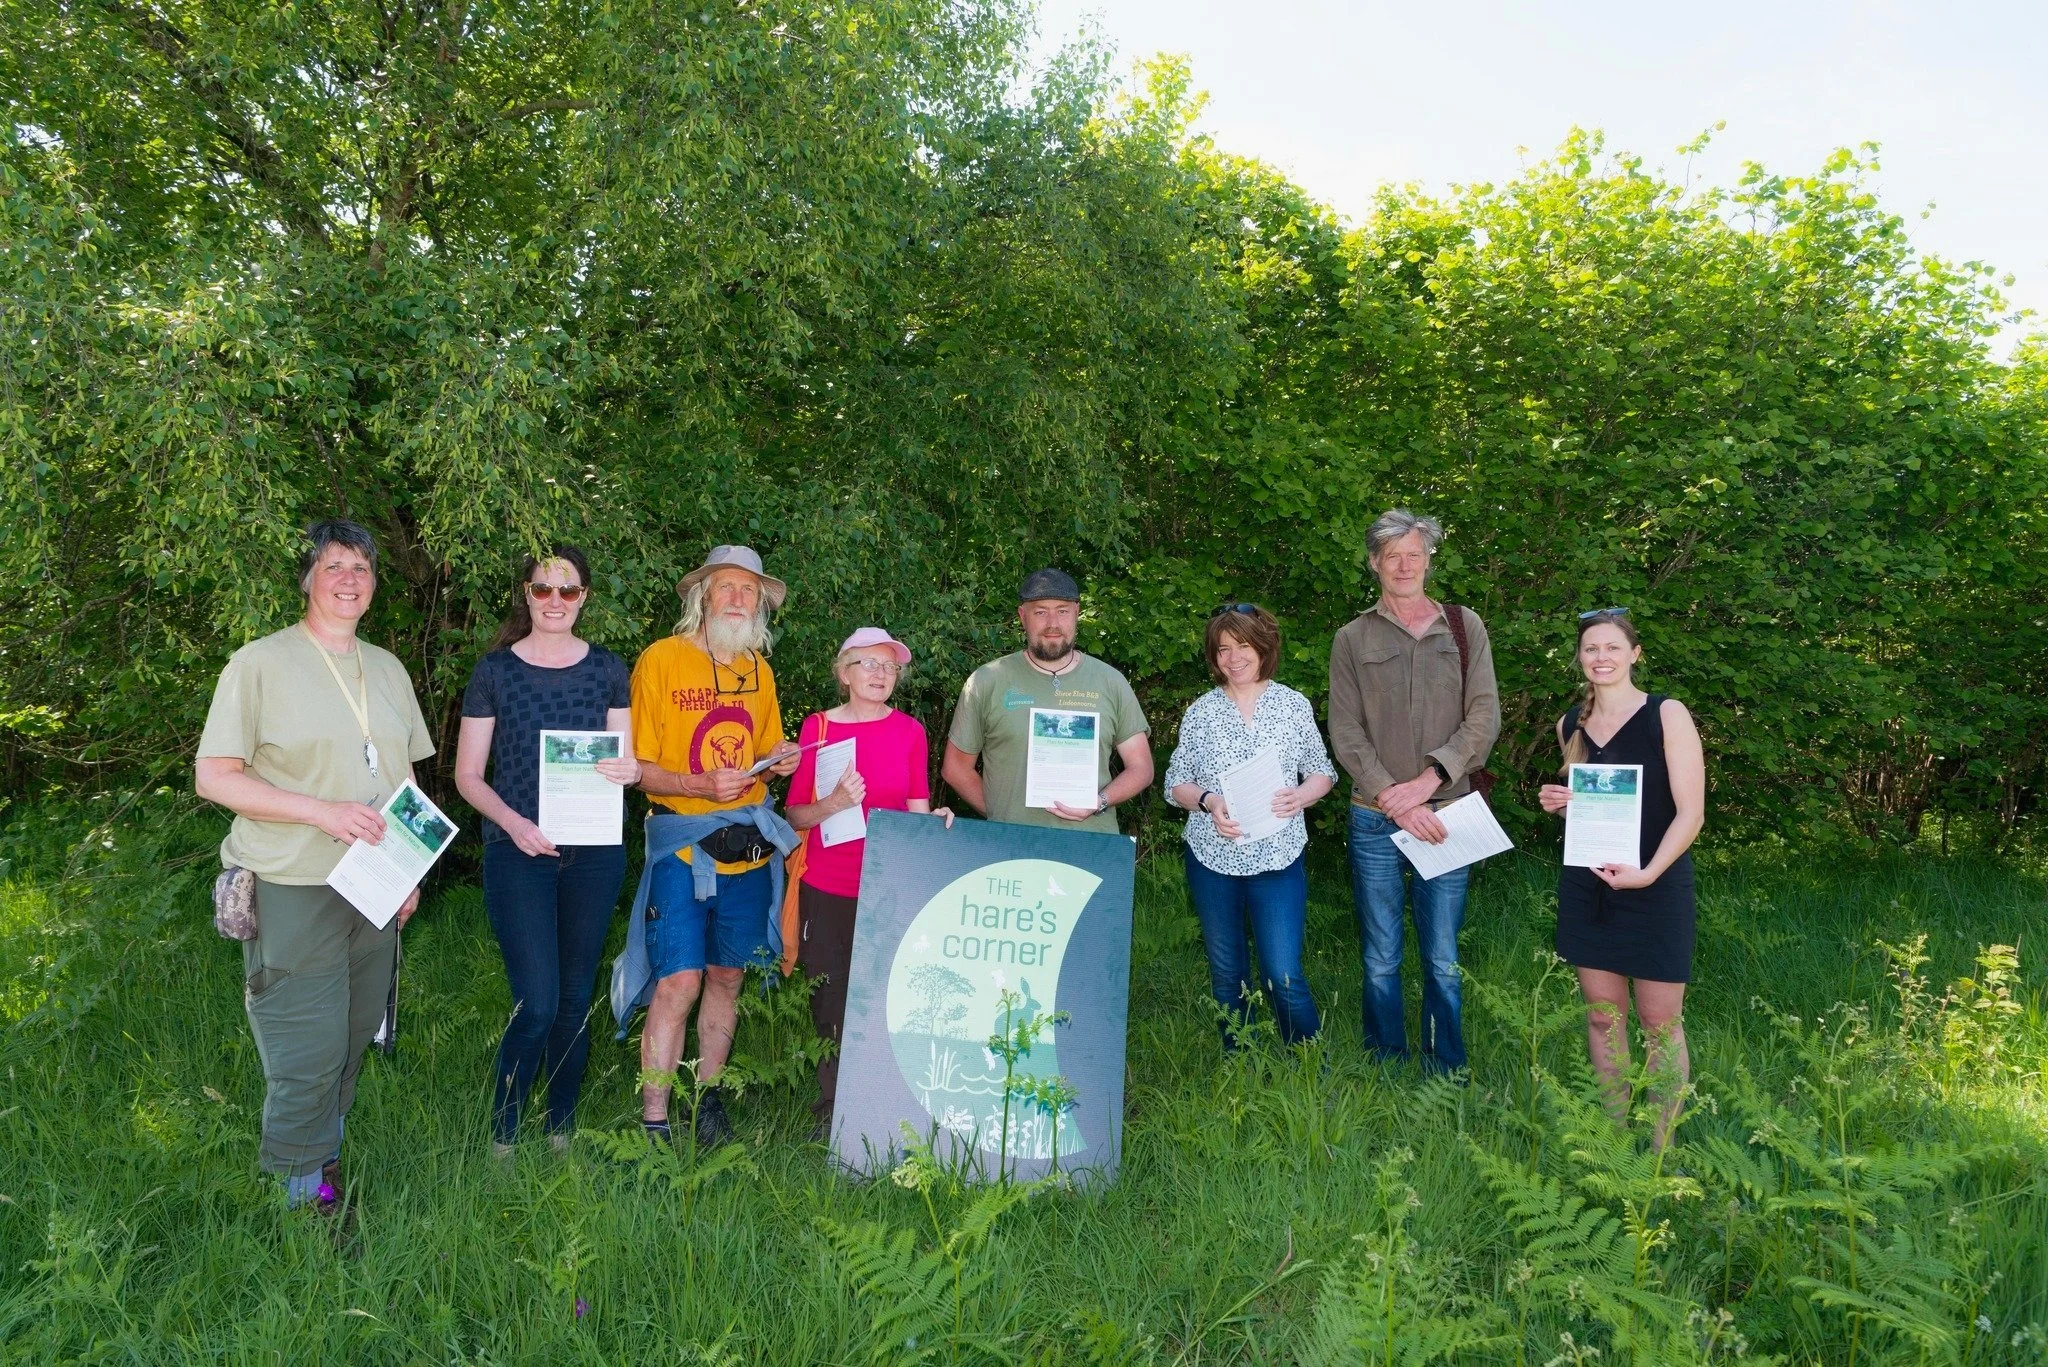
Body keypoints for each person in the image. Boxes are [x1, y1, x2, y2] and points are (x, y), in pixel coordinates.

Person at [194, 519, 436, 1211]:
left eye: (361, 567)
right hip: (293, 881)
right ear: (308, 579)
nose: (349, 578)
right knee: (307, 1049)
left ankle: (321, 1168)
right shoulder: (258, 663)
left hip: (376, 885)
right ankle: (302, 1205)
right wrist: (321, 812)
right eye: (334, 566)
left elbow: (406, 784)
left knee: (355, 1034)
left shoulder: (386, 668)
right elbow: (215, 776)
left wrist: (410, 871)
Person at [614, 545, 801, 1149]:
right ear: (703, 596)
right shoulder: (661, 661)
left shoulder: (758, 671)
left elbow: (763, 758)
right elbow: (637, 767)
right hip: (683, 845)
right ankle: (654, 1122)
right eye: (728, 587)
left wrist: (780, 763)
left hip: (746, 848)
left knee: (726, 978)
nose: (739, 600)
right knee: (679, 983)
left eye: (750, 591)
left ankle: (709, 1100)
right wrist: (698, 784)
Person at [453, 546, 638, 1156]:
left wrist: (628, 771)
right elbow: (468, 776)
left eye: (568, 591)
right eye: (542, 590)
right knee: (536, 1001)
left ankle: (560, 1128)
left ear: (584, 597)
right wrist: (514, 823)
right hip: (517, 852)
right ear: (526, 595)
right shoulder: (494, 672)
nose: (554, 602)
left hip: (594, 853)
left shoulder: (610, 669)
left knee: (573, 1002)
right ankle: (503, 1132)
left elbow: (623, 758)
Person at [1328, 509, 1499, 1074]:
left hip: (1447, 814)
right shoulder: (1352, 637)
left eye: (1414, 553)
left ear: (1429, 559)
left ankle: (1444, 1067)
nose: (1404, 564)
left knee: (1444, 957)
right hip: (1374, 818)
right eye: (1392, 555)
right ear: (1375, 563)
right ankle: (1385, 1061)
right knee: (1380, 956)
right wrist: (1390, 798)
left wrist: (1427, 784)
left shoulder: (1463, 626)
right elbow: (1345, 731)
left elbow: (1483, 716)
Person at [1537, 609, 1704, 1147]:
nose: (1601, 657)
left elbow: (1690, 814)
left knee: (1661, 1025)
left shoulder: (1667, 714)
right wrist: (1559, 805)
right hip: (1590, 887)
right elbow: (1589, 813)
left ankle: (1662, 1148)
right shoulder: (1570, 723)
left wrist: (1649, 873)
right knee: (1604, 1020)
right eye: (1591, 649)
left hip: (1656, 886)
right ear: (1580, 658)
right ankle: (1612, 1141)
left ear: (1634, 654)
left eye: (1612, 647)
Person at [783, 627, 953, 1132]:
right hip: (827, 886)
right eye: (869, 664)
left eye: (890, 667)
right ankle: (835, 1111)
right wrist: (835, 802)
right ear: (844, 673)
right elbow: (794, 816)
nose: (881, 674)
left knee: (888, 998)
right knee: (830, 999)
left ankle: (888, 1104)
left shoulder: (911, 732)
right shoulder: (817, 730)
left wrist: (936, 821)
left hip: (890, 886)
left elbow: (917, 808)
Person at [1163, 604, 1336, 1048]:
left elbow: (1322, 772)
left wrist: (1302, 795)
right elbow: (1174, 783)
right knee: (1227, 971)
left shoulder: (1292, 705)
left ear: (1262, 647)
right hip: (1212, 858)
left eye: (1242, 645)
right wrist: (1208, 801)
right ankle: (1239, 1057)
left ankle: (1308, 1062)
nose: (1233, 657)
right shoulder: (1201, 712)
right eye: (1223, 649)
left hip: (1277, 858)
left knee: (1282, 972)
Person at [941, 568, 1152, 833]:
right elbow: (955, 768)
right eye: (1040, 611)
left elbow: (1141, 768)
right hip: (1009, 844)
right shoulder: (987, 681)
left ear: (1076, 613)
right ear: (1022, 616)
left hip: (1092, 845)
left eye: (1062, 611)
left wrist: (1098, 802)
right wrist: (1002, 816)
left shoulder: (1110, 682)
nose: (1052, 623)